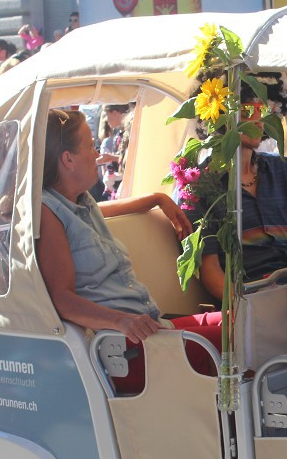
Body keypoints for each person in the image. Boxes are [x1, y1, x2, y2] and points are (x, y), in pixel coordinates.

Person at [36, 109, 192, 343]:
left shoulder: (81, 202)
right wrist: (122, 321)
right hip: (124, 342)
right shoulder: (48, 211)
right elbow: (62, 299)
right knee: (238, 341)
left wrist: (158, 199)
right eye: (90, 146)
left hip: (149, 324)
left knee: (234, 323)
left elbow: (107, 209)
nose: (97, 154)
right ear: (68, 159)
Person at [184, 76, 287, 302]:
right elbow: (211, 273)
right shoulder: (201, 185)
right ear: (220, 116)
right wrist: (248, 310)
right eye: (246, 110)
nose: (257, 118)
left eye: (262, 108)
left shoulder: (281, 168)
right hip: (250, 300)